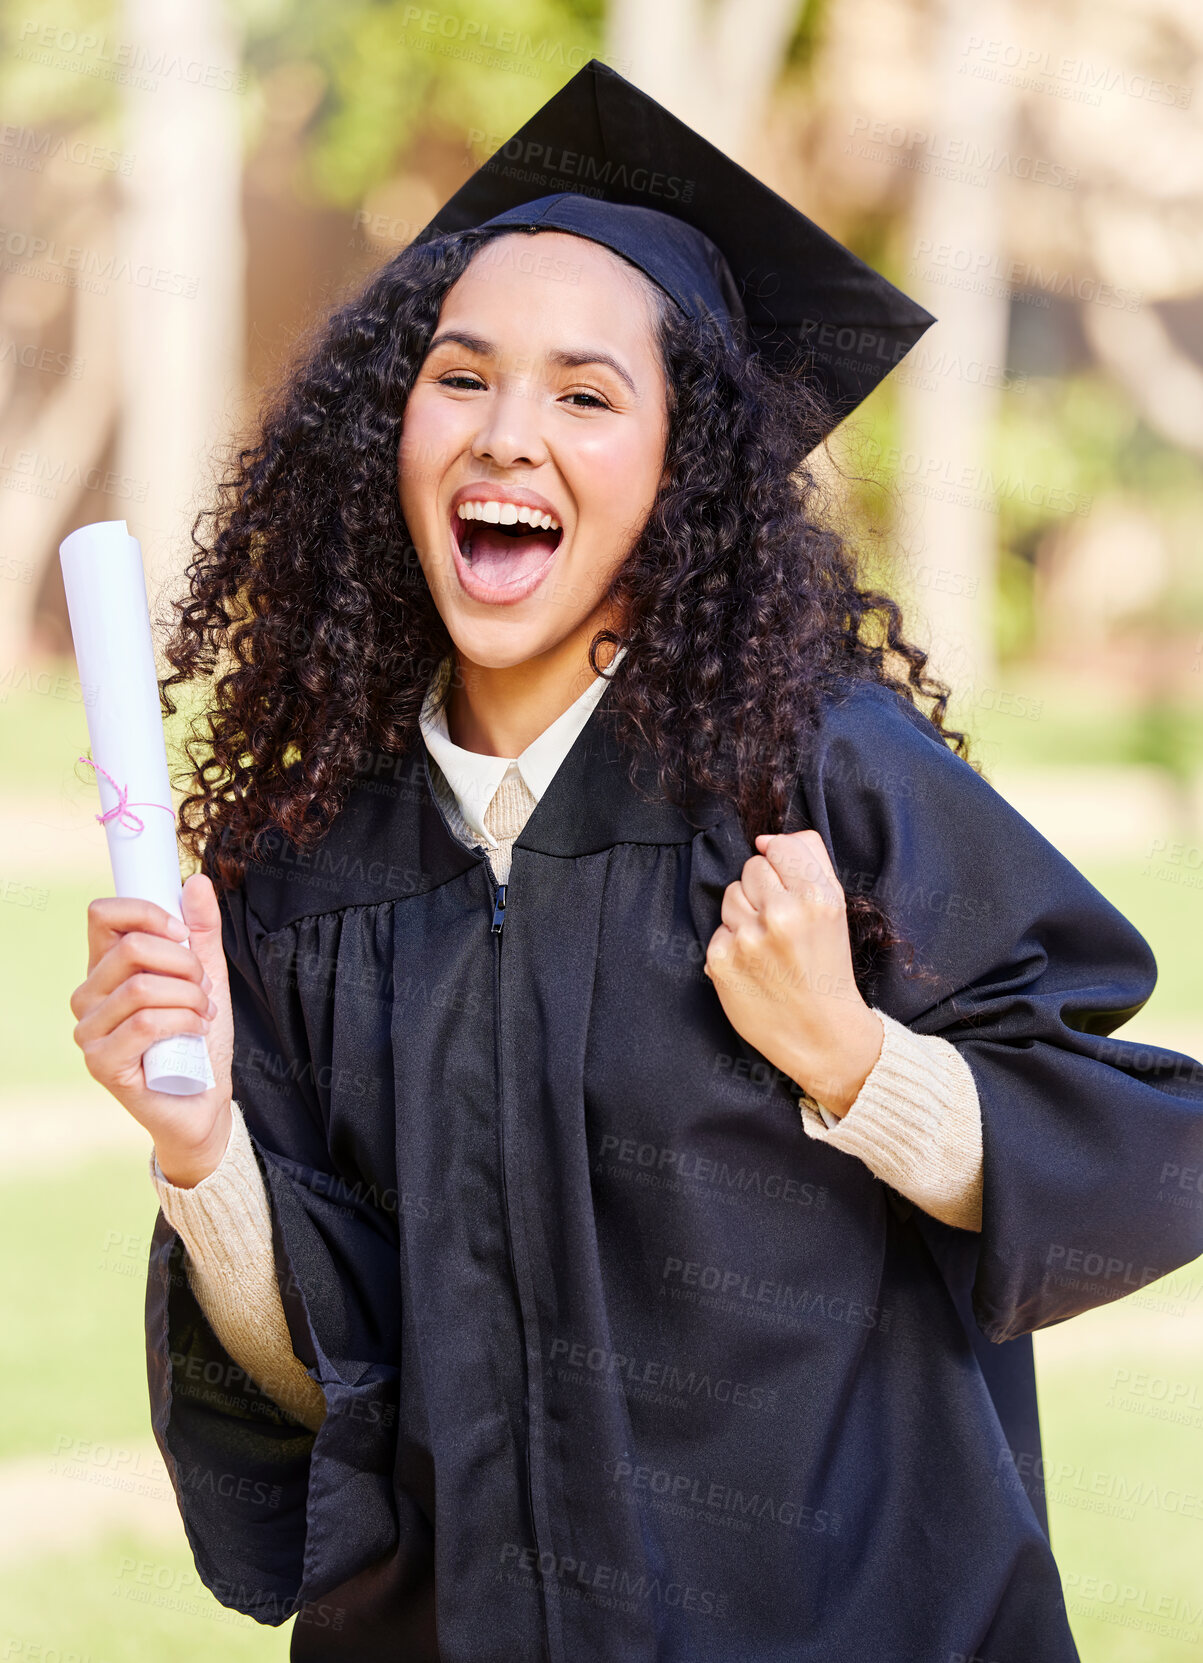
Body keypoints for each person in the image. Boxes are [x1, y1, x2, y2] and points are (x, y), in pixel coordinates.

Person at [69, 60, 1203, 1663]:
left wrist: (857, 1061)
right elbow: (336, 1389)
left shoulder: (817, 781)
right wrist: (203, 1160)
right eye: (459, 379)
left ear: (686, 476)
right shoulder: (310, 866)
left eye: (588, 395)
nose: (507, 435)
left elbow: (1147, 1156)